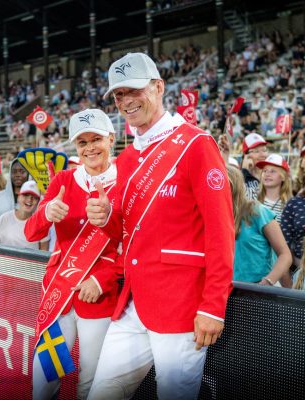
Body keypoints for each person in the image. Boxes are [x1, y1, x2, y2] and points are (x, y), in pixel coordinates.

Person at [85, 52, 234, 399]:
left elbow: (221, 231)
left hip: (181, 307)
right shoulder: (126, 157)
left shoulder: (197, 144)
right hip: (132, 304)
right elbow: (126, 231)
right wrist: (106, 217)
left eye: (133, 90)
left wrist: (213, 305)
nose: (125, 101)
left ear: (158, 88)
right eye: (118, 95)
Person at [24, 109, 123, 400]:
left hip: (98, 299)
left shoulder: (127, 180)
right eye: (82, 142)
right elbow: (31, 233)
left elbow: (132, 245)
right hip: (60, 296)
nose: (90, 148)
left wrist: (103, 280)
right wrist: (45, 213)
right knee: (45, 377)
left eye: (96, 139)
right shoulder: (64, 180)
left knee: (90, 384)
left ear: (111, 139)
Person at [228, 165, 292, 286]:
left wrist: (267, 281)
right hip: (228, 288)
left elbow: (285, 255)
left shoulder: (257, 210)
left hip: (259, 288)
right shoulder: (215, 214)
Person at [0, 180, 49, 250]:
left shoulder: (40, 224)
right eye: (26, 195)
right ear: (18, 197)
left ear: (38, 202)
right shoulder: (4, 218)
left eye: (35, 197)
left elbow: (44, 253)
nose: (30, 199)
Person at [0, 159, 28, 229]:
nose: (17, 175)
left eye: (22, 172)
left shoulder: (34, 198)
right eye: (14, 172)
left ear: (28, 174)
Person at [256, 154, 293, 222]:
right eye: (264, 171)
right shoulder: (253, 198)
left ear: (283, 177)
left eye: (273, 171)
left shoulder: (289, 204)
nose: (267, 174)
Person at [241, 132, 269, 200]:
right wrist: (244, 171)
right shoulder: (239, 177)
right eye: (256, 151)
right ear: (246, 156)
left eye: (264, 150)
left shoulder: (273, 175)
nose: (262, 155)